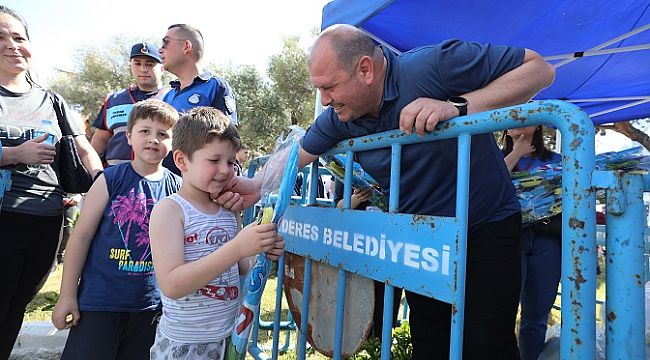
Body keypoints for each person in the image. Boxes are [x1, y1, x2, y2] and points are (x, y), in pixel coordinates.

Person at [216, 24, 555, 359]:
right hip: (424, 240)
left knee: (486, 344)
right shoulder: (341, 116)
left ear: (365, 69)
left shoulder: (432, 65)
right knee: (432, 343)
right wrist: (256, 187)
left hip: (486, 226)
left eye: (330, 87)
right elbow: (297, 154)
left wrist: (458, 107)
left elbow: (538, 69)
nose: (324, 100)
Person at [0, 6, 103, 357]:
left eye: (19, 37)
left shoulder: (51, 100)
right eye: (0, 37)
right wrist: (14, 154)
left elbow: (85, 149)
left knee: (17, 305)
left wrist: (108, 186)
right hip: (4, 217)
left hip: (45, 221)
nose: (12, 45)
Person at [148, 107, 284, 360]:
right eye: (214, 160)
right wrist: (238, 247)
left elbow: (243, 266)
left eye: (231, 162)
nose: (226, 170)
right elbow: (172, 284)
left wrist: (262, 249)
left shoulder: (227, 210)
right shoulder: (169, 210)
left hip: (228, 338)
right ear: (181, 161)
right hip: (185, 345)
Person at [51, 99, 181, 359]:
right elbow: (81, 238)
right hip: (99, 304)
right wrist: (67, 295)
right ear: (129, 136)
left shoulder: (178, 188)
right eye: (145, 131)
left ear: (173, 143)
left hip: (151, 308)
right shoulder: (109, 180)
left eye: (163, 134)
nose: (153, 139)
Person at [502, 125, 562, 360]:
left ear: (537, 125)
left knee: (536, 316)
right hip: (507, 240)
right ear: (505, 129)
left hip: (547, 240)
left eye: (526, 118)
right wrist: (516, 153)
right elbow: (488, 184)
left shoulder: (557, 160)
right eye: (512, 119)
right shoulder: (495, 158)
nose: (519, 125)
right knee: (500, 312)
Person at [158, 23, 238, 175]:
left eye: (166, 43)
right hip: (168, 185)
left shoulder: (215, 86)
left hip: (201, 187)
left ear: (186, 46)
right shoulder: (167, 96)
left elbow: (228, 138)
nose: (160, 49)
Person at [333, 180, 402, 337]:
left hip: (390, 244)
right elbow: (338, 205)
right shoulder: (349, 162)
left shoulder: (397, 161)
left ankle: (379, 342)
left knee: (386, 302)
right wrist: (358, 198)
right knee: (356, 301)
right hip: (358, 244)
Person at [91, 42, 167, 166]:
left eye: (150, 64)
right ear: (130, 66)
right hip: (115, 177)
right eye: (137, 63)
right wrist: (94, 171)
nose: (143, 69)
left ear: (162, 68)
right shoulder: (113, 100)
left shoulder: (172, 98)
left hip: (157, 179)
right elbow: (100, 140)